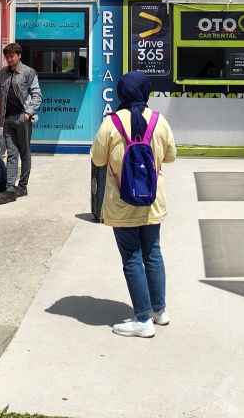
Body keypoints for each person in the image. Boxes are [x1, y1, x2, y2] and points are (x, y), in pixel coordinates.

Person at [90, 70, 177, 338]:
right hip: (152, 202)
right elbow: (171, 157)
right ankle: (159, 311)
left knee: (132, 258)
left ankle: (142, 320)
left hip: (122, 204)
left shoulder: (111, 123)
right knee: (153, 253)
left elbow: (98, 159)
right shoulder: (159, 121)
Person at [0, 42, 42, 205]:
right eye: (7, 57)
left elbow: (37, 96)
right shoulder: (2, 73)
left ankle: (22, 186)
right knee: (12, 153)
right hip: (7, 119)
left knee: (24, 152)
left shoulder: (28, 72)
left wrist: (27, 114)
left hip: (22, 118)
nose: (9, 59)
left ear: (19, 55)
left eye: (12, 56)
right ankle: (10, 190)